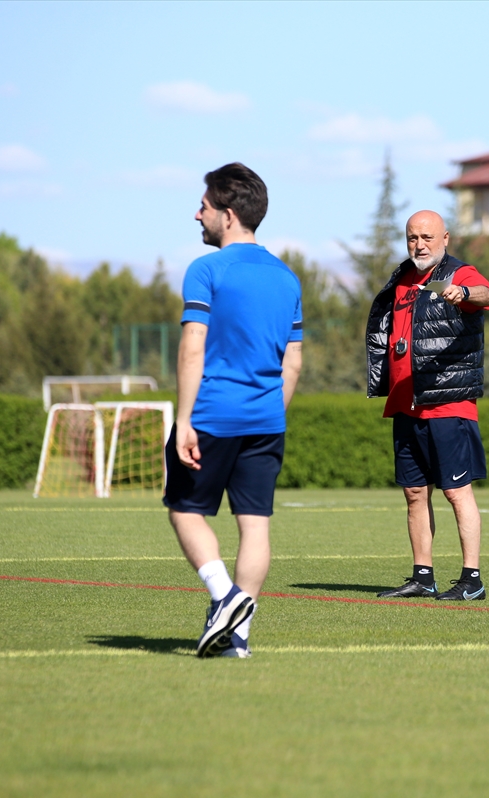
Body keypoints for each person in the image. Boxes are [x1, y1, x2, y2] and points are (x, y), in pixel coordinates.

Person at [164, 162, 303, 658]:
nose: (196, 214)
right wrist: (271, 410)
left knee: (184, 510)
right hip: (267, 418)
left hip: (213, 414)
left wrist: (183, 419)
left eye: (202, 206)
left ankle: (224, 597)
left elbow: (192, 346)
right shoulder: (286, 278)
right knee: (255, 524)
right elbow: (293, 361)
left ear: (226, 214)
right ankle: (236, 640)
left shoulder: (206, 269)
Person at [366, 210, 489, 601]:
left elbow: (487, 295)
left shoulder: (458, 274)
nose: (419, 245)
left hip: (447, 403)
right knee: (413, 493)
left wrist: (462, 293)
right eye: (412, 238)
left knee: (457, 492)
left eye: (427, 237)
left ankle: (471, 579)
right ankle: (423, 576)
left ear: (445, 239)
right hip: (406, 403)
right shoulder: (403, 277)